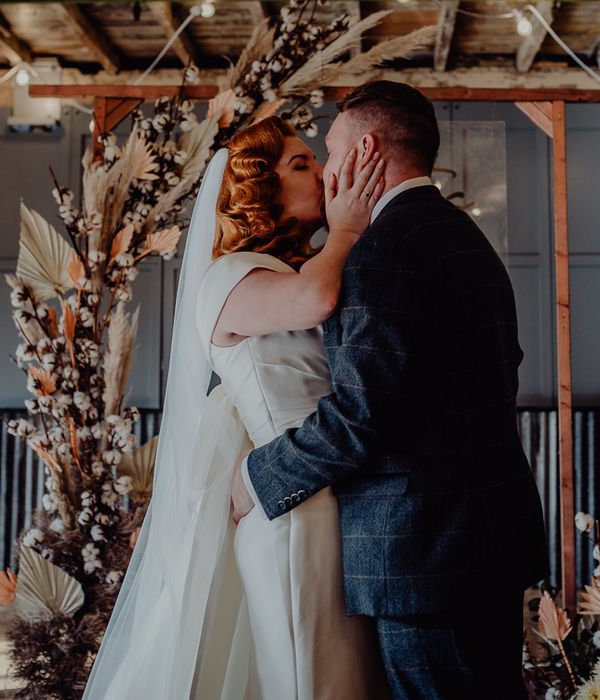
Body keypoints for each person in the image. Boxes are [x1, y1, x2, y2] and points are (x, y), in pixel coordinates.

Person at [231, 80, 550, 700]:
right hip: (480, 539)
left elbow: (360, 414)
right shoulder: (464, 235)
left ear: (367, 148)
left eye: (331, 149)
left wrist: (258, 478)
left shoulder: (385, 249)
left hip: (425, 554)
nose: (325, 168)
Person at [82, 113, 390, 699]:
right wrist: (347, 231)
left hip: (328, 493)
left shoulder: (284, 267)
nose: (323, 172)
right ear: (259, 188)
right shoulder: (229, 276)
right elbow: (316, 298)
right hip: (296, 511)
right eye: (301, 164)